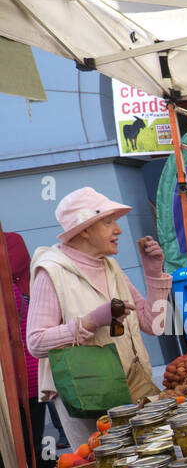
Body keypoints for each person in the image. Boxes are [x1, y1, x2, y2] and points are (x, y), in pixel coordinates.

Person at [26, 188, 171, 449]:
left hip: (135, 389)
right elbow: (36, 343)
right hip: (89, 400)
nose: (118, 230)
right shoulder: (51, 271)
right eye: (108, 222)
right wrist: (91, 321)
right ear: (84, 229)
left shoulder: (109, 265)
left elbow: (154, 324)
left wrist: (154, 272)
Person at [3, 232, 56, 468]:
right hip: (18, 376)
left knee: (28, 446)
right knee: (22, 448)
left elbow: (12, 263)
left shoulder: (10, 241)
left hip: (24, 375)